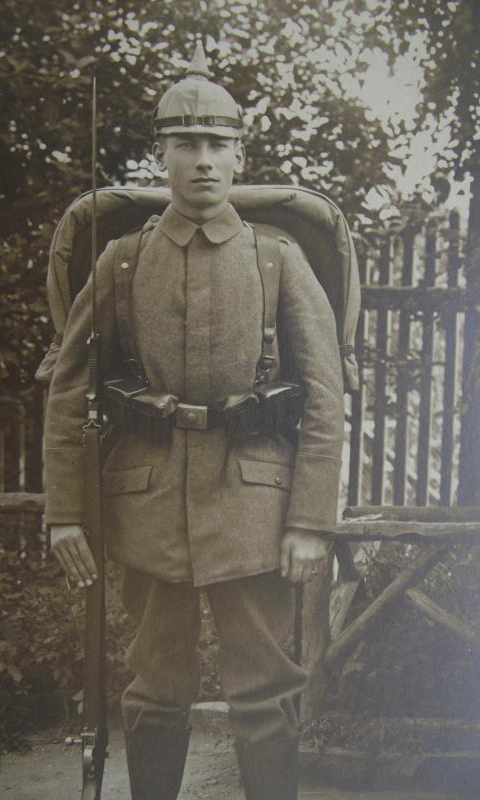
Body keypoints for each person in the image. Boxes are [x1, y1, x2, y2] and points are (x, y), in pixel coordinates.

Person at [44, 41, 344, 800]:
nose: (202, 161)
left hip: (254, 506)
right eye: (186, 145)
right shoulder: (117, 261)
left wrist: (311, 520)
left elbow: (324, 395)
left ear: (239, 157)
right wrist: (64, 515)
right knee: (153, 689)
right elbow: (69, 388)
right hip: (143, 504)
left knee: (264, 691)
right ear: (162, 156)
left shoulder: (275, 258)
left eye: (217, 144)